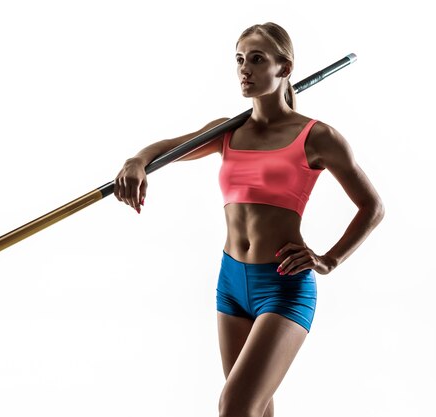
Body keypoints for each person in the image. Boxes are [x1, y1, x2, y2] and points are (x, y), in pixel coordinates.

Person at [114, 22, 384, 417]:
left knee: (235, 406)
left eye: (257, 59)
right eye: (240, 60)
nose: (245, 69)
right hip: (231, 282)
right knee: (254, 408)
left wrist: (330, 259)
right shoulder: (227, 131)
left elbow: (371, 206)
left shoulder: (316, 136)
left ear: (284, 68)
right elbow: (165, 150)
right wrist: (134, 162)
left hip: (283, 285)